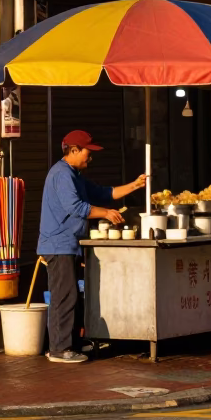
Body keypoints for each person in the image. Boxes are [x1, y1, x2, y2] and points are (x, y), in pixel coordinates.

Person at [38, 129, 148, 364]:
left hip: (70, 244)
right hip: (59, 244)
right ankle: (59, 349)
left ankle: (72, 344)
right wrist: (106, 214)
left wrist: (134, 185)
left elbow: (104, 193)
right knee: (63, 297)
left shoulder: (75, 175)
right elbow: (76, 207)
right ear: (74, 150)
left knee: (72, 296)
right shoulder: (62, 175)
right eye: (88, 152)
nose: (91, 157)